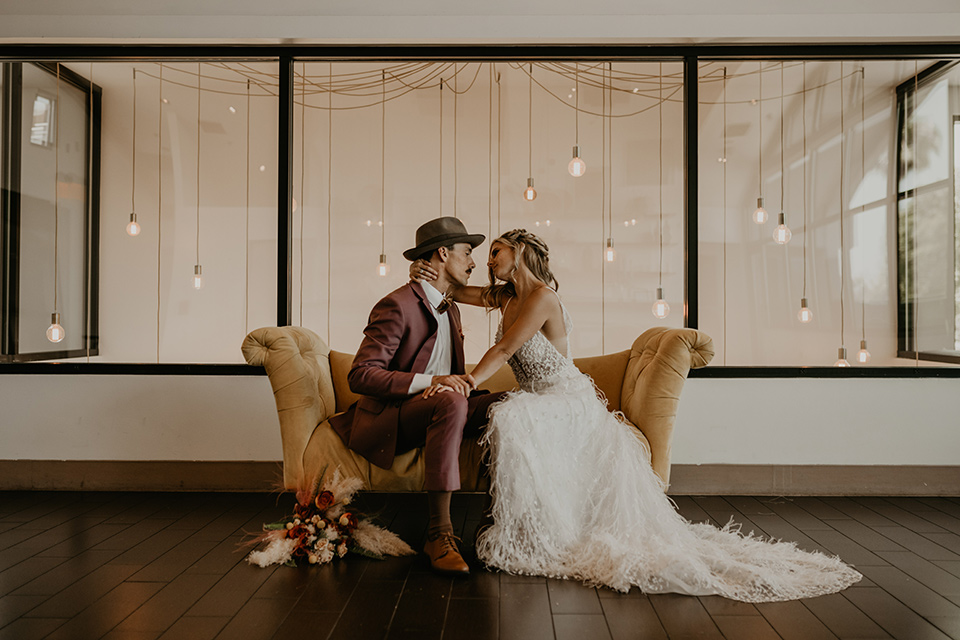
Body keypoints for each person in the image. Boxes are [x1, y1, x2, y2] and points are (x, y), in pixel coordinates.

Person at [410, 228, 862, 601]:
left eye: (497, 252)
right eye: (487, 256)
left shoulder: (541, 298)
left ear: (521, 252)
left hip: (564, 398)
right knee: (512, 415)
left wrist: (468, 380)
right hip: (538, 397)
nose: (489, 261)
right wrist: (425, 273)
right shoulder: (503, 296)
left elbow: (506, 347)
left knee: (512, 419)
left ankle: (542, 530)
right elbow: (454, 290)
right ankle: (537, 523)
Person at [329, 217, 506, 577]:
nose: (475, 263)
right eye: (468, 252)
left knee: (511, 404)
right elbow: (361, 374)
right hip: (394, 415)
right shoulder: (397, 304)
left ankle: (500, 522)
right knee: (451, 399)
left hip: (440, 407)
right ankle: (439, 534)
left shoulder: (449, 305)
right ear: (443, 253)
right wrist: (432, 381)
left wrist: (450, 383)